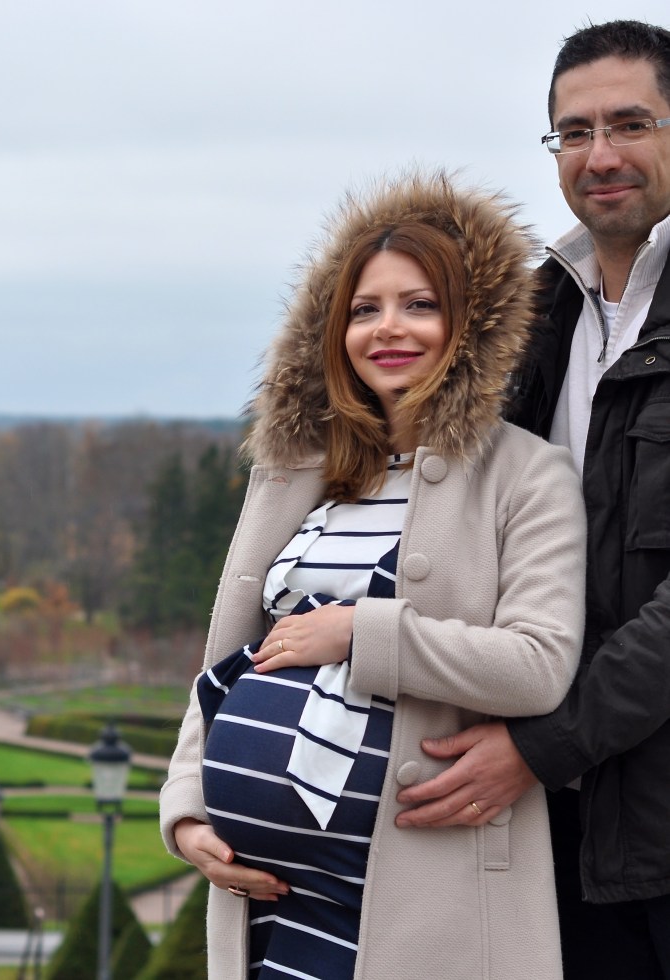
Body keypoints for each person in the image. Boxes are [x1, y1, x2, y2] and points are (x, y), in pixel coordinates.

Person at [158, 171, 587, 980]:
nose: (388, 328)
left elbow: (538, 666)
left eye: (419, 304)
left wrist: (358, 632)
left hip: (426, 902)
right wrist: (185, 813)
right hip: (270, 907)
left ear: (469, 325)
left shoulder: (528, 475)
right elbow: (232, 665)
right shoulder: (298, 474)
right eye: (365, 309)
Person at [392, 19, 670, 980]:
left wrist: (544, 746)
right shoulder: (526, 316)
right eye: (574, 132)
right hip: (551, 830)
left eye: (630, 124)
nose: (601, 156)